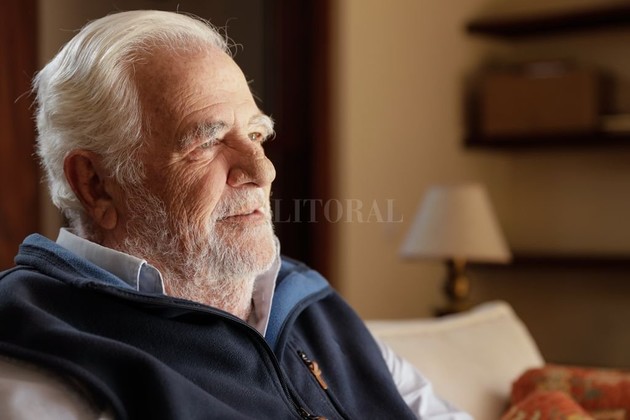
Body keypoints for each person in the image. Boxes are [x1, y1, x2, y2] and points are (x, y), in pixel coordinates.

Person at [0, 10, 471, 420]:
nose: (263, 171)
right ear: (95, 184)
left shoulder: (306, 299)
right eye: (207, 142)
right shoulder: (41, 350)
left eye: (256, 135)